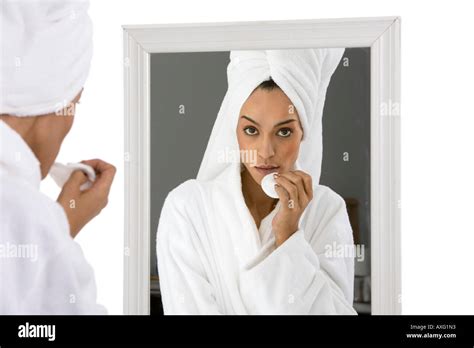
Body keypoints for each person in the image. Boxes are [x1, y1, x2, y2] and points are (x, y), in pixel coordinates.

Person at [156, 49, 357, 314]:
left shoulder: (327, 210)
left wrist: (288, 235)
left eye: (284, 132)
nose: (265, 151)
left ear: (303, 134)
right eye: (251, 130)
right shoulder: (187, 208)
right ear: (234, 131)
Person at [0, 0, 115, 314]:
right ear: (49, 105)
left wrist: (58, 228)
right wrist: (54, 236)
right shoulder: (25, 218)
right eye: (73, 105)